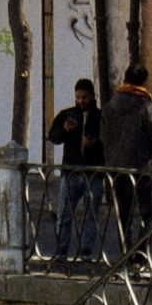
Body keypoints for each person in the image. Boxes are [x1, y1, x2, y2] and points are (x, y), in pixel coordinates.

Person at [101, 62, 152, 241]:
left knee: (124, 213)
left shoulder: (110, 106)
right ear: (144, 82)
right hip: (141, 166)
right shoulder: (146, 106)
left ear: (125, 79)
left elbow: (103, 136)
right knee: (148, 212)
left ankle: (125, 253)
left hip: (116, 166)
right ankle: (141, 254)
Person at [46, 78, 106, 263]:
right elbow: (53, 137)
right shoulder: (67, 115)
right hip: (70, 171)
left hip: (93, 172)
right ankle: (62, 249)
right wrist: (64, 130)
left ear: (92, 97)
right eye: (78, 97)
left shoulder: (100, 117)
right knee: (64, 213)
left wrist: (94, 143)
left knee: (91, 215)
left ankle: (86, 250)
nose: (81, 101)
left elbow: (108, 140)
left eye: (84, 97)